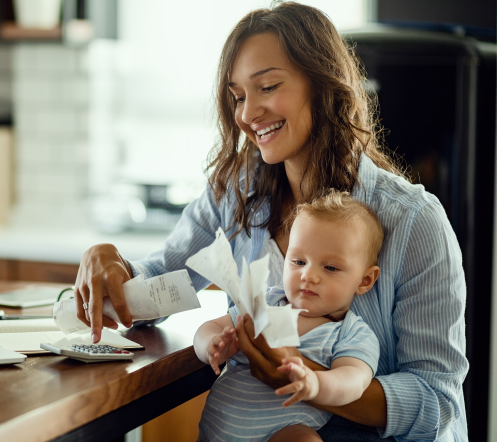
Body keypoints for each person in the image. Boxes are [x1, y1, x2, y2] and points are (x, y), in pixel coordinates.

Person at [73, 2, 468, 440]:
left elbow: (437, 403)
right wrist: (112, 268)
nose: (246, 114)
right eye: (239, 95)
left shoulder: (413, 220)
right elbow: (160, 283)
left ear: (323, 85)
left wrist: (306, 380)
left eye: (268, 87)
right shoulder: (234, 194)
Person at [195, 190, 382, 442]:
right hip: (215, 429)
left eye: (330, 267)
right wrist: (212, 344)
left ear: (365, 280)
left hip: (283, 432)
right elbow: (211, 326)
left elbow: (354, 381)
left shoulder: (351, 333)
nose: (308, 275)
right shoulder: (267, 301)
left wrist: (315, 384)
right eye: (298, 261)